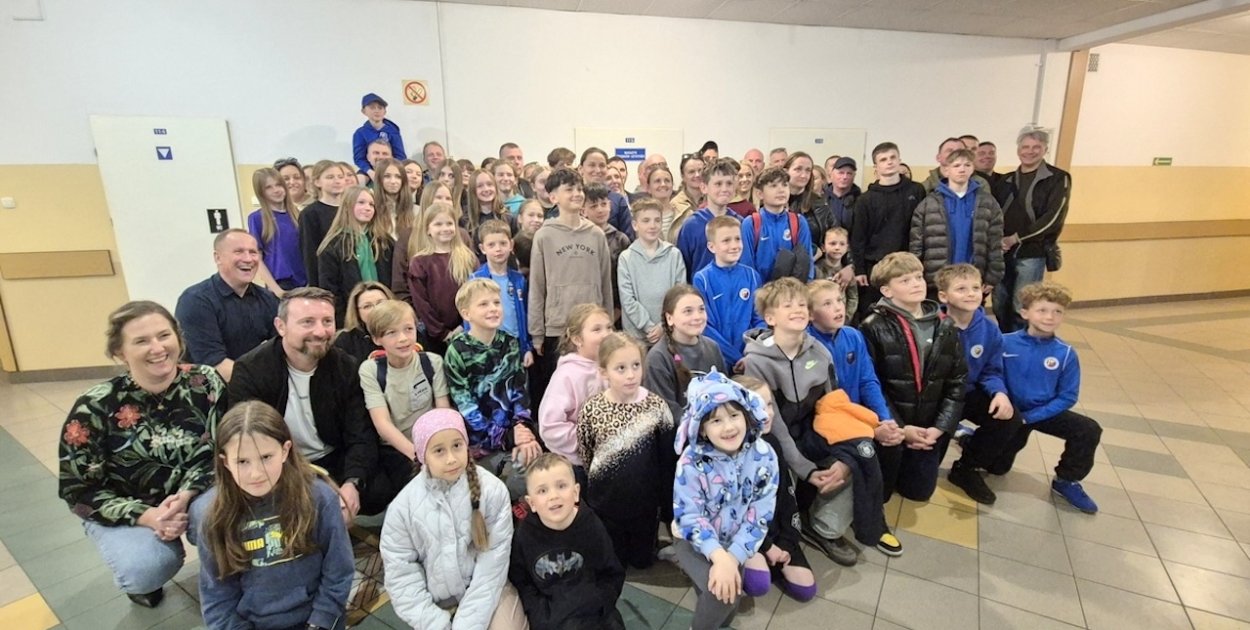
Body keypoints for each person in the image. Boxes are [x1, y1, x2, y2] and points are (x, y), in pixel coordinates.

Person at [58, 301, 227, 608]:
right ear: (120, 352)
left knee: (223, 522)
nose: (157, 348)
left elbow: (225, 450)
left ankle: (222, 573)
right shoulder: (94, 407)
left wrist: (187, 495)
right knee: (145, 568)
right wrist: (147, 516)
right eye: (141, 341)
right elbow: (78, 491)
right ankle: (145, 577)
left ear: (178, 338)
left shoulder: (205, 382)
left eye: (164, 335)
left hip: (196, 491)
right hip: (129, 508)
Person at [743, 278, 897, 561]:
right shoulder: (757, 361)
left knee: (863, 450)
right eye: (788, 305)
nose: (798, 310)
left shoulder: (820, 352)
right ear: (770, 318)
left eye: (802, 304)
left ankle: (827, 526)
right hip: (775, 440)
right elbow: (775, 428)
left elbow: (832, 407)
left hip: (812, 431)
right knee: (777, 468)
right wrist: (807, 470)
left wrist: (845, 458)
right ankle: (775, 537)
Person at [196, 401, 353, 630]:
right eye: (242, 461)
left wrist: (321, 621)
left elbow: (339, 571)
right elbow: (217, 597)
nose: (256, 473)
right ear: (225, 462)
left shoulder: (320, 498)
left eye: (266, 457)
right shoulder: (214, 517)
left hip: (317, 620)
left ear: (285, 450)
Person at [229, 287, 383, 519]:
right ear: (281, 326)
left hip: (334, 458)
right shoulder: (250, 371)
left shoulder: (346, 367)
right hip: (282, 465)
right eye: (308, 322)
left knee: (382, 485)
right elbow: (247, 442)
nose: (320, 332)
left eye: (327, 321)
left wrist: (352, 483)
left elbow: (360, 434)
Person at [381, 409, 528, 630]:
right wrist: (435, 623)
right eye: (439, 450)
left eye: (457, 446)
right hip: (434, 604)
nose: (451, 459)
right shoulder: (402, 508)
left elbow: (492, 566)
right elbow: (401, 577)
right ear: (422, 455)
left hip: (488, 591)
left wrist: (466, 625)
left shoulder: (492, 491)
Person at [671, 370, 778, 630]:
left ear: (747, 415)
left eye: (734, 415)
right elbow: (689, 516)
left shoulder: (765, 456)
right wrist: (719, 557)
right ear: (702, 428)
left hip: (735, 541)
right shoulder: (690, 462)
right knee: (721, 595)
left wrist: (733, 555)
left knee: (727, 601)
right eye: (716, 420)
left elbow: (760, 514)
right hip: (691, 540)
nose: (728, 427)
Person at [858, 252, 966, 502]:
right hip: (893, 423)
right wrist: (901, 429)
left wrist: (940, 427)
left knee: (919, 493)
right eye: (905, 280)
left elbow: (957, 381)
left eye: (918, 277)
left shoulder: (945, 325)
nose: (916, 284)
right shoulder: (872, 326)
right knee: (882, 493)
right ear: (887, 290)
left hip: (929, 425)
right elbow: (872, 385)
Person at [991, 281, 1102, 513]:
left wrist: (1031, 417)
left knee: (1089, 429)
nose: (1050, 317)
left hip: (1042, 412)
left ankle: (1066, 480)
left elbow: (1068, 396)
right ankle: (969, 438)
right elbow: (992, 374)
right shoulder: (1004, 342)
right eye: (1042, 310)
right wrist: (1006, 404)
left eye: (1057, 312)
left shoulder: (1066, 353)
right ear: (1025, 313)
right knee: (997, 468)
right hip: (1010, 413)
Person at [577, 333, 674, 569]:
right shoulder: (592, 408)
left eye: (636, 366)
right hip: (606, 501)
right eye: (620, 368)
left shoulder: (656, 406)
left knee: (642, 561)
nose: (630, 375)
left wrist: (665, 502)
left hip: (645, 502)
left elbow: (666, 457)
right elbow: (586, 451)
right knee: (614, 560)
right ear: (604, 372)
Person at [933, 264, 1022, 505]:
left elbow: (991, 370)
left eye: (975, 287)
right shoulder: (932, 325)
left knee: (1009, 417)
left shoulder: (989, 330)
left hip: (969, 393)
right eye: (961, 289)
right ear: (943, 296)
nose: (971, 294)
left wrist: (999, 393)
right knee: (922, 480)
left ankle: (966, 467)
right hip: (938, 399)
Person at [445, 279, 541, 500]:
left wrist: (522, 427)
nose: (493, 308)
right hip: (479, 440)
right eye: (483, 304)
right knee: (493, 489)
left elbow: (519, 391)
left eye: (496, 303)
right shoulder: (457, 350)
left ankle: (521, 507)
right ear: (466, 314)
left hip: (513, 431)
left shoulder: (510, 343)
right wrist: (505, 437)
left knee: (534, 460)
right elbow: (466, 407)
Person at [528, 168, 614, 408]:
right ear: (553, 197)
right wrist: (537, 333)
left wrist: (608, 326)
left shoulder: (596, 234)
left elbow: (605, 283)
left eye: (579, 189)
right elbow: (537, 286)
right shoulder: (544, 236)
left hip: (593, 329)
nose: (577, 194)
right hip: (558, 327)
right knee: (562, 395)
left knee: (594, 389)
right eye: (569, 189)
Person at [509, 453, 625, 630]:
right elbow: (520, 579)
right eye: (542, 491)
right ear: (531, 503)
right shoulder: (524, 535)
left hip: (594, 612)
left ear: (576, 492)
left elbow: (612, 572)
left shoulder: (591, 526)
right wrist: (540, 614)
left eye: (561, 486)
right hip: (550, 618)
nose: (553, 496)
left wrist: (600, 602)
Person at [731, 376, 818, 600]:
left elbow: (786, 496)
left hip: (774, 528)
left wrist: (787, 540)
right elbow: (738, 514)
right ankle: (756, 560)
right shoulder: (731, 455)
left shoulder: (772, 444)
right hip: (747, 533)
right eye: (758, 407)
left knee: (805, 590)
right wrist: (767, 547)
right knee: (758, 584)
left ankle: (772, 561)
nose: (768, 413)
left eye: (769, 405)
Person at [360, 300, 451, 497]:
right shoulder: (371, 370)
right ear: (377, 339)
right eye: (391, 333)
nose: (403, 338)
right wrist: (417, 455)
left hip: (432, 440)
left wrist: (438, 450)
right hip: (397, 448)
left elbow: (443, 412)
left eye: (408, 329)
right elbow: (382, 424)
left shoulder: (432, 362)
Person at [994, 126, 1071, 333]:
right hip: (1002, 252)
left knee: (1022, 306)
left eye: (1036, 147)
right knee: (1000, 303)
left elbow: (1053, 218)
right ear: (1018, 149)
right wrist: (998, 241)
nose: (1030, 151)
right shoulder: (1006, 180)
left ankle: (1023, 344)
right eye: (1025, 146)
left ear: (1045, 149)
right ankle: (1005, 343)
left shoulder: (1057, 178)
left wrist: (1016, 238)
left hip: (1031, 253)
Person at [176, 229, 280, 382]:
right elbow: (213, 364)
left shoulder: (268, 299)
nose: (248, 259)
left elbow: (282, 348)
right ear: (217, 258)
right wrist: (261, 384)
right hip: (211, 388)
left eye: (253, 252)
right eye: (239, 252)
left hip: (254, 383)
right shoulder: (195, 301)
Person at [909, 148, 1005, 298]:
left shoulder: (987, 202)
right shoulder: (929, 203)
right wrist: (916, 275)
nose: (962, 169)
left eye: (967, 165)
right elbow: (916, 244)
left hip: (974, 277)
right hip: (937, 279)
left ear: (972, 169)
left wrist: (993, 276)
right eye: (956, 165)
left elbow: (995, 242)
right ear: (946, 170)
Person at [850, 143, 927, 323]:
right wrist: (859, 269)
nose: (889, 162)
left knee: (909, 316)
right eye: (883, 160)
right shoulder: (865, 199)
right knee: (875, 318)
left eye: (893, 158)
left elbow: (923, 228)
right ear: (876, 167)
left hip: (909, 264)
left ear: (900, 160)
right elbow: (858, 237)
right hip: (876, 266)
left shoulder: (916, 190)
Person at [537, 304, 611, 480]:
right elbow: (549, 427)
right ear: (577, 339)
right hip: (577, 466)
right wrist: (589, 441)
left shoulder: (612, 366)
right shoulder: (566, 376)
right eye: (597, 329)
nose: (606, 334)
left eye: (609, 327)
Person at [643, 285, 727, 422]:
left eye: (701, 309)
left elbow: (725, 392)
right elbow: (665, 411)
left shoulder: (713, 348)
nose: (697, 317)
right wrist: (701, 427)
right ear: (669, 318)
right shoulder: (658, 358)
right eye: (688, 311)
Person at [316, 186, 394, 326]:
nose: (367, 208)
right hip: (350, 318)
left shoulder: (384, 241)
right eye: (361, 203)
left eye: (371, 204)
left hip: (386, 315)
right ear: (347, 206)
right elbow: (330, 290)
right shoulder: (333, 246)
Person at [694, 216, 763, 369]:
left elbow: (759, 319)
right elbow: (705, 325)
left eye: (737, 239)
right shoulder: (702, 279)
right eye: (726, 241)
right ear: (712, 247)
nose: (734, 246)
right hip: (717, 358)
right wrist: (735, 357)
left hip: (749, 358)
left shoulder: (752, 276)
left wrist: (751, 354)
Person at [408, 201, 477, 355]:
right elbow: (421, 303)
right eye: (438, 224)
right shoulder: (419, 262)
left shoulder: (468, 258)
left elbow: (476, 293)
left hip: (468, 329)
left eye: (449, 223)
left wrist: (464, 325)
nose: (445, 228)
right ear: (428, 229)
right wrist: (442, 333)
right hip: (435, 337)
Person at [618, 199, 686, 344]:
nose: (652, 226)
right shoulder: (626, 258)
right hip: (636, 338)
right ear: (635, 225)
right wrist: (648, 326)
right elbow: (627, 299)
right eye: (646, 221)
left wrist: (663, 326)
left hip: (669, 333)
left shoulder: (674, 254)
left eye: (657, 220)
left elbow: (679, 295)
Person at [471, 220, 533, 366]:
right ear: (482, 248)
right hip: (487, 346)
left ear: (511, 245)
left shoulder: (519, 280)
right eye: (491, 245)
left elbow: (525, 315)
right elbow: (470, 320)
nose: (498, 249)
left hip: (515, 346)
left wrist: (527, 348)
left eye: (503, 243)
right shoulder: (475, 280)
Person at [740, 166, 813, 282]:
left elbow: (807, 262)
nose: (781, 190)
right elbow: (746, 265)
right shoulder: (750, 223)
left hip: (792, 289)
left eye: (784, 185)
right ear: (760, 194)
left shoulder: (799, 222)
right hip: (761, 290)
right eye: (773, 186)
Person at [677, 158, 740, 278]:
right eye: (718, 184)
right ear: (704, 188)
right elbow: (683, 267)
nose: (724, 189)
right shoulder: (691, 225)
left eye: (729, 183)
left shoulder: (739, 223)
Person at [247, 167, 305, 293]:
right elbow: (257, 258)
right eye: (269, 187)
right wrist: (276, 289)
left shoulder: (299, 215)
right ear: (261, 192)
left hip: (304, 281)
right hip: (281, 283)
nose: (276, 190)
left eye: (279, 185)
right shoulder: (257, 218)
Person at [300, 161, 349, 288]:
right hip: (327, 277)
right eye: (330, 177)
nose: (337, 181)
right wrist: (315, 288)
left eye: (340, 177)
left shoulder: (350, 209)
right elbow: (309, 253)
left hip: (350, 273)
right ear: (317, 182)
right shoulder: (310, 213)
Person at [583, 183, 630, 313]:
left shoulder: (621, 240)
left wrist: (618, 309)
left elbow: (626, 280)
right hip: (586, 307)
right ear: (583, 211)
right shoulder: (578, 239)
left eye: (603, 204)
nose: (600, 210)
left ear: (610, 205)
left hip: (615, 307)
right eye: (593, 206)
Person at [783, 152, 834, 260]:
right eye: (798, 169)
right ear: (786, 171)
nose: (804, 175)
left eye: (808, 170)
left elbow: (835, 234)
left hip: (815, 262)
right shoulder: (773, 201)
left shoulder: (820, 202)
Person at [578, 147, 635, 239]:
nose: (598, 170)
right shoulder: (574, 198)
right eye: (592, 165)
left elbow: (629, 237)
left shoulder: (618, 200)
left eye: (602, 165)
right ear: (581, 169)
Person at [332, 281, 393, 366]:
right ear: (357, 312)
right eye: (367, 306)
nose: (376, 309)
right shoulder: (345, 341)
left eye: (381, 303)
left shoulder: (406, 331)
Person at [353, 93, 406, 182]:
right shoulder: (360, 133)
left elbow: (401, 156)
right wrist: (370, 172)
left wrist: (391, 170)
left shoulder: (393, 131)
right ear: (364, 111)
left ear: (385, 112)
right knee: (358, 181)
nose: (376, 111)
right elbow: (359, 158)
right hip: (368, 170)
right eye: (372, 107)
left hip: (390, 167)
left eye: (380, 108)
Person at [467, 169, 517, 257]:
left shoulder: (508, 217)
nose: (486, 189)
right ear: (473, 190)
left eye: (489, 184)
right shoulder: (466, 220)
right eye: (480, 186)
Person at [815, 226, 859, 316]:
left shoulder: (848, 273)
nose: (837, 247)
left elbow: (853, 297)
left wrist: (847, 316)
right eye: (833, 243)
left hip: (841, 316)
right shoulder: (816, 269)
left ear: (847, 248)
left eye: (842, 244)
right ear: (823, 247)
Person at [373, 157, 415, 238]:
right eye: (387, 176)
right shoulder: (372, 208)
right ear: (379, 179)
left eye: (398, 177)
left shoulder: (415, 211)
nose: (393, 181)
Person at [669, 154, 705, 240]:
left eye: (700, 171)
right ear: (683, 176)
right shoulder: (674, 204)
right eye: (691, 172)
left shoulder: (714, 200)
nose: (697, 175)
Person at [825, 156, 861, 236]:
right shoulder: (821, 199)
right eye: (841, 173)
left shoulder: (861, 201)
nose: (845, 177)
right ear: (832, 175)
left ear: (854, 176)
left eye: (849, 173)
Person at [512, 199, 545, 278]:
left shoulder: (547, 243)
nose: (536, 220)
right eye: (531, 215)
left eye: (540, 216)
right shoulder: (513, 246)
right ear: (520, 218)